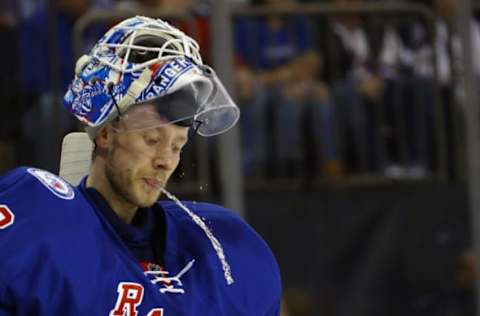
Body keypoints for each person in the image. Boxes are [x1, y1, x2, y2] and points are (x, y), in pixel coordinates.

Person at [0, 16, 281, 315]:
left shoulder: (222, 244)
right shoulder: (38, 216)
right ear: (106, 134)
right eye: (151, 140)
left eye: (177, 145)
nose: (166, 161)